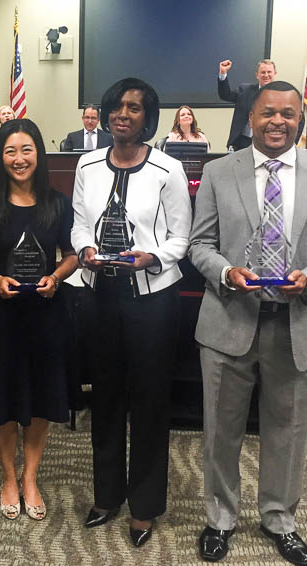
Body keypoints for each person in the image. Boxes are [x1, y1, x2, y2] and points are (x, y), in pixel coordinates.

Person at [189, 81, 307, 565]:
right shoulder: (219, 171)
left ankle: (280, 518)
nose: (278, 122)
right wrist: (226, 272)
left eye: (288, 114)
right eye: (268, 113)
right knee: (221, 430)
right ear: (250, 118)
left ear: (301, 118)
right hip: (228, 321)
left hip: (294, 324)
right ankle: (219, 518)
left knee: (290, 430)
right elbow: (199, 245)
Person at [71, 77, 191, 547]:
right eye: (117, 106)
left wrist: (152, 257)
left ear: (149, 117)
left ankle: (143, 506)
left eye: (135, 108)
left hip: (152, 299)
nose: (123, 114)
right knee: (105, 397)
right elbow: (80, 223)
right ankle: (107, 496)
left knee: (148, 400)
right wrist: (84, 250)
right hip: (100, 295)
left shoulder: (167, 169)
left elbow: (180, 238)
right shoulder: (87, 164)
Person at [0, 118, 78, 521]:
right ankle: (8, 477)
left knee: (42, 397)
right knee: (4, 398)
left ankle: (31, 477)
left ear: (39, 154)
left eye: (26, 150)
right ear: (0, 157)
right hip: (2, 313)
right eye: (10, 151)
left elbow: (70, 253)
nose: (19, 159)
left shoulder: (56, 203)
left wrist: (57, 276)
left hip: (46, 312)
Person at [218, 59, 276, 150]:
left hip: (269, 143)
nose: (266, 75)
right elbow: (225, 95)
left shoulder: (282, 95)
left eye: (269, 72)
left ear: (275, 74)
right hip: (243, 142)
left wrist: (291, 142)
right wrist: (223, 73)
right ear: (257, 75)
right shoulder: (245, 90)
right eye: (263, 72)